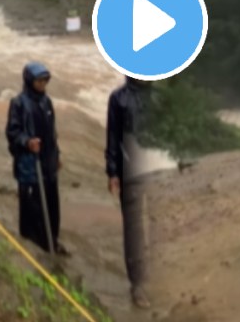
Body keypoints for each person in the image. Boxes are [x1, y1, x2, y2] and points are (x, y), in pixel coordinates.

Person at [6, 62, 67, 255]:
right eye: (39, 80)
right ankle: (34, 243)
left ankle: (52, 242)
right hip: (30, 167)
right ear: (29, 81)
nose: (42, 84)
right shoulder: (18, 103)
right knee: (33, 208)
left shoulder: (46, 102)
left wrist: (56, 155)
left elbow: (51, 133)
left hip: (47, 164)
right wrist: (27, 142)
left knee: (51, 206)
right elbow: (12, 132)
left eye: (45, 80)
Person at [105, 76, 153, 309]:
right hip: (131, 170)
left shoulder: (161, 99)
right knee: (133, 229)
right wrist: (113, 172)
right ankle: (138, 284)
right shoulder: (118, 99)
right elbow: (113, 137)